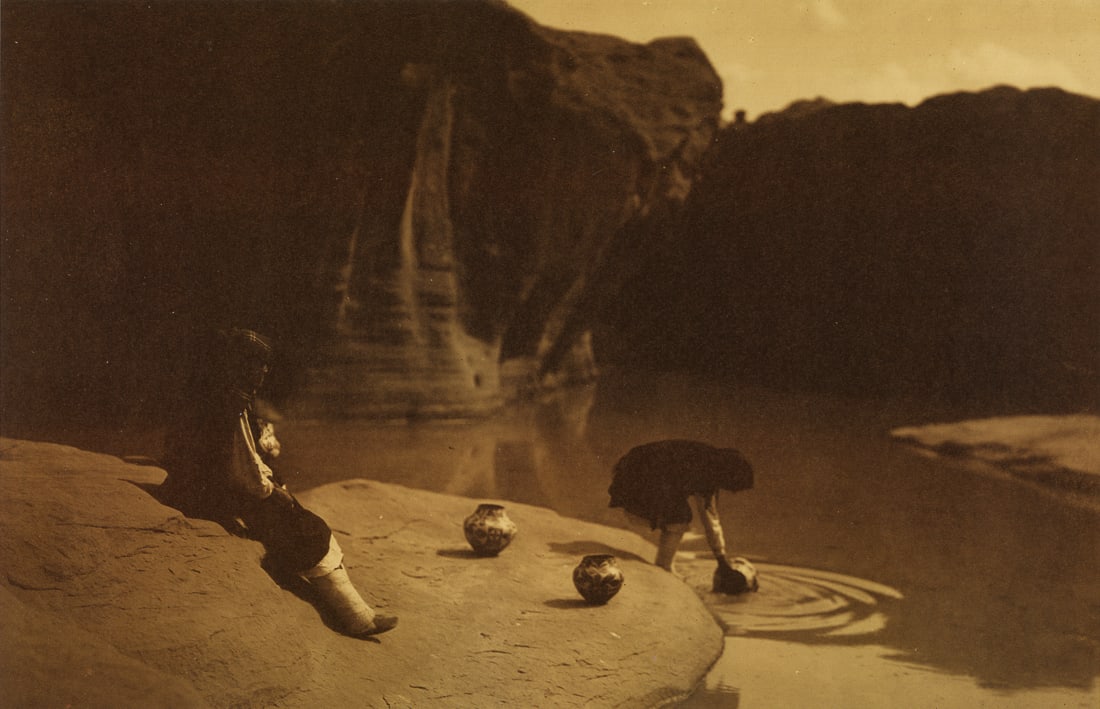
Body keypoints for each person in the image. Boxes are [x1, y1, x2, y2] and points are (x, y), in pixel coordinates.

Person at [159, 327, 397, 638]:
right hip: (214, 497)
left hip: (194, 489)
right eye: (258, 363)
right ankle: (357, 617)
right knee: (309, 527)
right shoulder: (231, 404)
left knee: (294, 518)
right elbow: (244, 474)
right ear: (241, 364)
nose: (264, 370)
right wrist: (275, 493)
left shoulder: (212, 393)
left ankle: (354, 609)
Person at [608, 439, 759, 593]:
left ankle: (665, 565)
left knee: (677, 511)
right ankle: (664, 566)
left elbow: (710, 518)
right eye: (733, 487)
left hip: (633, 474)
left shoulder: (707, 460)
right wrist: (721, 559)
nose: (731, 491)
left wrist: (721, 557)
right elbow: (709, 519)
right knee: (680, 516)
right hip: (634, 480)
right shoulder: (704, 470)